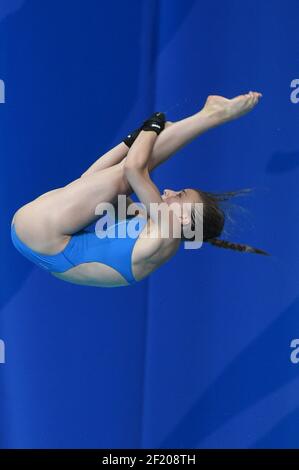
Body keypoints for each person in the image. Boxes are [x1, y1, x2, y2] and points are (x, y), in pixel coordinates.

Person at [11, 91, 268, 288]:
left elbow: (133, 171)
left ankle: (210, 116)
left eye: (179, 196)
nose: (167, 191)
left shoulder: (164, 235)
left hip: (41, 234)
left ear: (183, 219)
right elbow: (91, 180)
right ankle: (208, 115)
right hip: (38, 241)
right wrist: (131, 141)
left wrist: (152, 127)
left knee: (126, 177)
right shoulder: (152, 230)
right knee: (117, 184)